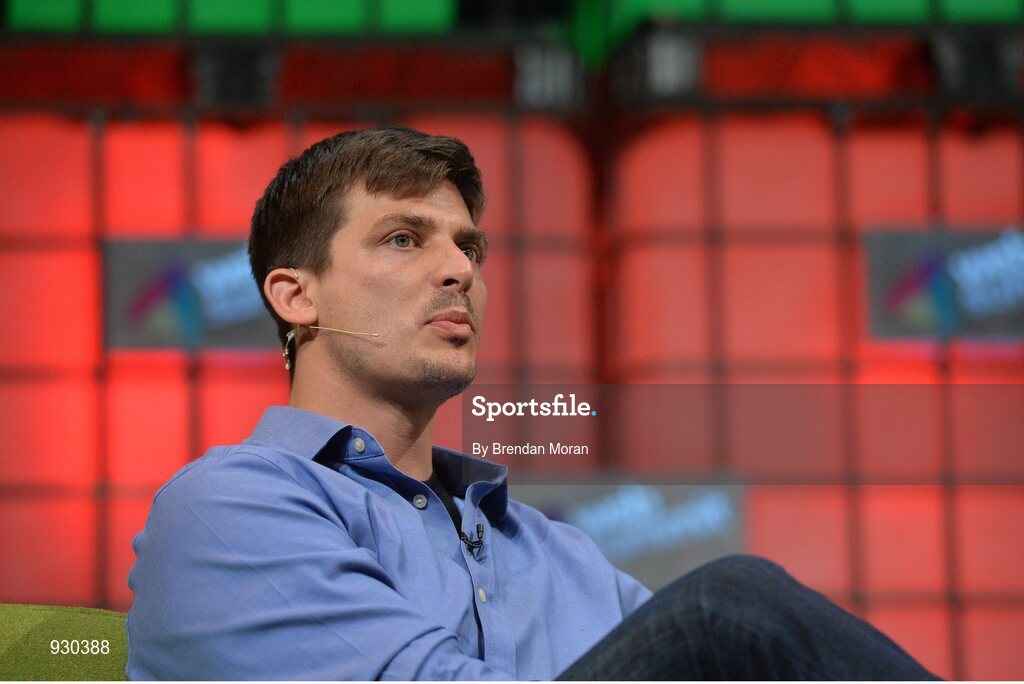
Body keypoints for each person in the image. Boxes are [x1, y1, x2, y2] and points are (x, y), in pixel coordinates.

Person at [126, 126, 938, 680]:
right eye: (404, 239)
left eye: (468, 246)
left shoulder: (558, 553)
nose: (459, 272)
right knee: (729, 610)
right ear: (295, 297)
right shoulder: (227, 505)